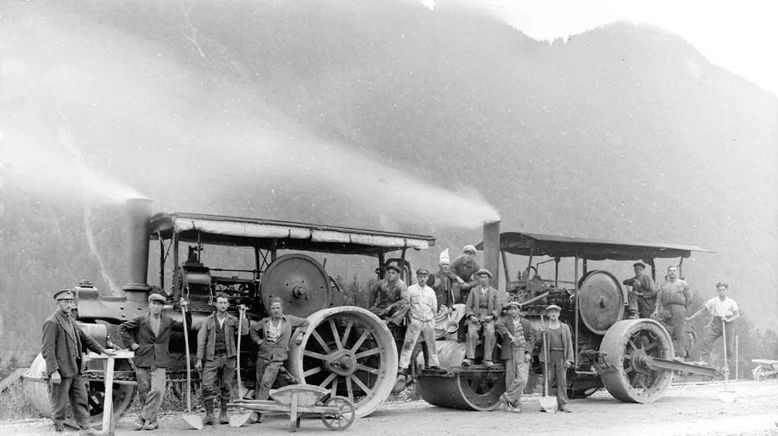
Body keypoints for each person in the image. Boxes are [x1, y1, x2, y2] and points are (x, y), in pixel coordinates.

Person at [42, 289, 113, 434]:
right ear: (59, 303)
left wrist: (104, 350)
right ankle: (59, 429)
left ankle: (86, 429)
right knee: (59, 403)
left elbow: (85, 338)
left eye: (71, 302)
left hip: (75, 369)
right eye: (66, 302)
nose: (70, 305)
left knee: (81, 399)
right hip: (61, 371)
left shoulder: (70, 320)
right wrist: (54, 371)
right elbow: (47, 350)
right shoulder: (52, 322)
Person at [118, 292, 191, 431]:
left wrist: (186, 310)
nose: (156, 307)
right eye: (154, 304)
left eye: (159, 304)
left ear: (162, 307)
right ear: (149, 305)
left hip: (160, 359)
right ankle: (151, 421)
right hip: (143, 358)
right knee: (144, 390)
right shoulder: (140, 320)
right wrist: (132, 344)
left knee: (157, 390)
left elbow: (185, 328)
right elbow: (122, 328)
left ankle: (142, 417)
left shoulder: (167, 321)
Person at [250, 297, 309, 422]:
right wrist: (258, 341)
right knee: (259, 383)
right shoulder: (265, 321)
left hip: (277, 358)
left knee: (266, 383)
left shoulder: (289, 320)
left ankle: (257, 411)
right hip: (263, 355)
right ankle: (260, 413)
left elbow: (306, 322)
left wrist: (301, 334)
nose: (275, 310)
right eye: (273, 308)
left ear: (282, 308)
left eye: (278, 308)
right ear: (270, 310)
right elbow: (253, 330)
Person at [194, 293, 249, 425]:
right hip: (211, 357)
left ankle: (223, 414)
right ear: (216, 304)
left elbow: (244, 331)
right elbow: (201, 340)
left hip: (229, 357)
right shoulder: (208, 320)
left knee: (226, 386)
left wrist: (243, 315)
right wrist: (199, 359)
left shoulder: (233, 320)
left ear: (228, 305)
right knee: (207, 385)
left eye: (225, 303)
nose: (223, 305)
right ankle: (210, 415)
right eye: (220, 302)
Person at [398, 268, 441, 375]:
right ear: (417, 277)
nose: (422, 279)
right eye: (420, 277)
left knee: (431, 344)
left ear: (427, 278)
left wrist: (432, 320)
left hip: (428, 321)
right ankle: (403, 366)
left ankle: (434, 364)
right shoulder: (411, 289)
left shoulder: (431, 291)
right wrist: (410, 318)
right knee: (408, 344)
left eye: (424, 277)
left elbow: (434, 307)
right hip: (415, 321)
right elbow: (406, 305)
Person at [687, 282, 739, 369]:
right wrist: (691, 318)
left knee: (728, 346)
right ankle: (704, 360)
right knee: (707, 340)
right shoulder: (713, 301)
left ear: (726, 291)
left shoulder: (731, 302)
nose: (721, 292)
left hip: (728, 324)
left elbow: (737, 315)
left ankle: (727, 365)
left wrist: (728, 319)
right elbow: (703, 311)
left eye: (723, 290)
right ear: (717, 291)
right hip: (717, 322)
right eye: (719, 290)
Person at [496, 301, 535, 413]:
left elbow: (531, 338)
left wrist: (528, 352)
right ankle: (513, 403)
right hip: (510, 351)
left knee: (522, 379)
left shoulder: (526, 323)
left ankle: (506, 397)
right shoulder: (505, 321)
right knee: (510, 379)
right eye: (511, 309)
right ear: (508, 311)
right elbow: (498, 324)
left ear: (519, 310)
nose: (513, 311)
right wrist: (509, 335)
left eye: (515, 309)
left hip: (522, 352)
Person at [462, 269, 501, 367]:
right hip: (476, 316)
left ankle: (488, 359)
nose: (483, 279)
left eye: (485, 277)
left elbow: (498, 308)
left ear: (489, 279)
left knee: (490, 332)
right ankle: (470, 358)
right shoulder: (473, 291)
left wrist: (492, 316)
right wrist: (471, 316)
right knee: (471, 332)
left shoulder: (494, 292)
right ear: (478, 279)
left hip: (488, 317)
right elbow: (468, 306)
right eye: (481, 277)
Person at [540, 304, 573, 413]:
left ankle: (563, 404)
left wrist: (569, 359)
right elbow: (538, 342)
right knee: (548, 380)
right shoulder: (544, 327)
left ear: (559, 314)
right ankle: (547, 404)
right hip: (548, 356)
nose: (553, 314)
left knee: (562, 381)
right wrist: (540, 334)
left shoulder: (565, 327)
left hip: (561, 357)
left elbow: (569, 343)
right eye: (551, 312)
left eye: (555, 312)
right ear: (548, 314)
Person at [652, 266, 691, 358]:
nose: (672, 272)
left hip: (679, 308)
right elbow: (659, 298)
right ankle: (666, 355)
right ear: (668, 273)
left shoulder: (683, 284)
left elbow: (689, 299)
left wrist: (685, 311)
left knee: (679, 333)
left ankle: (681, 357)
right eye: (670, 271)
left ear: (677, 272)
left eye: (674, 271)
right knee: (661, 328)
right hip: (666, 309)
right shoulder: (664, 285)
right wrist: (656, 310)